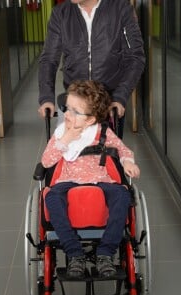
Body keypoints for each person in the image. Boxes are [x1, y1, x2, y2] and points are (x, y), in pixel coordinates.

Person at [41, 80, 140, 278]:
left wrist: (128, 162)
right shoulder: (61, 133)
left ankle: (105, 252)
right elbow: (46, 162)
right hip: (67, 181)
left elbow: (122, 149)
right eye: (67, 108)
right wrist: (66, 139)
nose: (67, 115)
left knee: (122, 194)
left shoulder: (101, 133)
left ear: (90, 120)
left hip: (100, 179)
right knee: (51, 197)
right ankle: (74, 252)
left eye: (74, 112)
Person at [38, 0, 145, 119]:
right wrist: (46, 98)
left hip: (109, 102)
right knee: (70, 136)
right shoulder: (60, 13)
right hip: (75, 101)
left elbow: (135, 57)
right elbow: (49, 59)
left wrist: (119, 97)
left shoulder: (121, 9)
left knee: (106, 137)